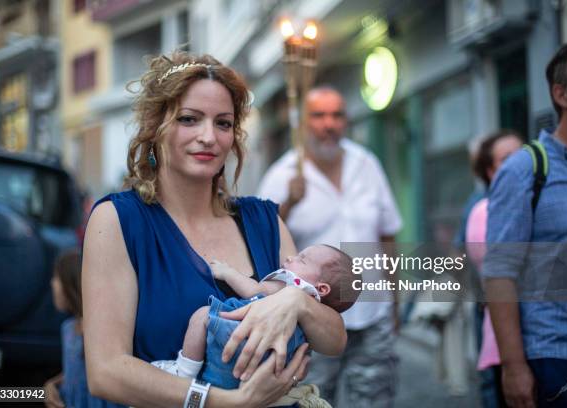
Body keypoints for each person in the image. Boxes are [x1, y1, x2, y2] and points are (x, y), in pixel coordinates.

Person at [82, 51, 347, 408]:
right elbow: (106, 371)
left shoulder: (265, 222)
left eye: (223, 123)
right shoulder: (119, 221)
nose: (209, 137)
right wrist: (227, 402)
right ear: (155, 126)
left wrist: (297, 302)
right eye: (190, 119)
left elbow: (334, 340)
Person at [258, 85, 403, 407]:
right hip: (312, 323)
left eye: (337, 115)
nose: (329, 124)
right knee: (313, 401)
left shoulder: (366, 164)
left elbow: (387, 236)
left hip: (372, 314)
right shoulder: (281, 175)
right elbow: (263, 241)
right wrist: (290, 203)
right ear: (303, 123)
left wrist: (394, 302)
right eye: (319, 115)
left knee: (377, 400)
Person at [483, 42, 567, 408]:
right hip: (560, 353)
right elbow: (499, 273)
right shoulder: (525, 170)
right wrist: (513, 367)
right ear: (561, 94)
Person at [152, 244, 358, 391]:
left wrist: (227, 272)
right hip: (269, 368)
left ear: (321, 288)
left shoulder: (293, 285)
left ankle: (184, 371)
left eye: (301, 259)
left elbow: (255, 290)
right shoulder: (314, 317)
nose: (289, 258)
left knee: (202, 317)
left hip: (238, 336)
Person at [465, 130, 523, 408]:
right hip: (505, 331)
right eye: (506, 158)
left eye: (522, 154)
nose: (518, 163)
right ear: (490, 171)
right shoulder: (482, 211)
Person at [43, 250, 125, 408]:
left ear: (70, 283)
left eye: (56, 278)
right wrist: (52, 384)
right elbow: (75, 371)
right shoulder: (67, 328)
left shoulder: (100, 330)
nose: (52, 284)